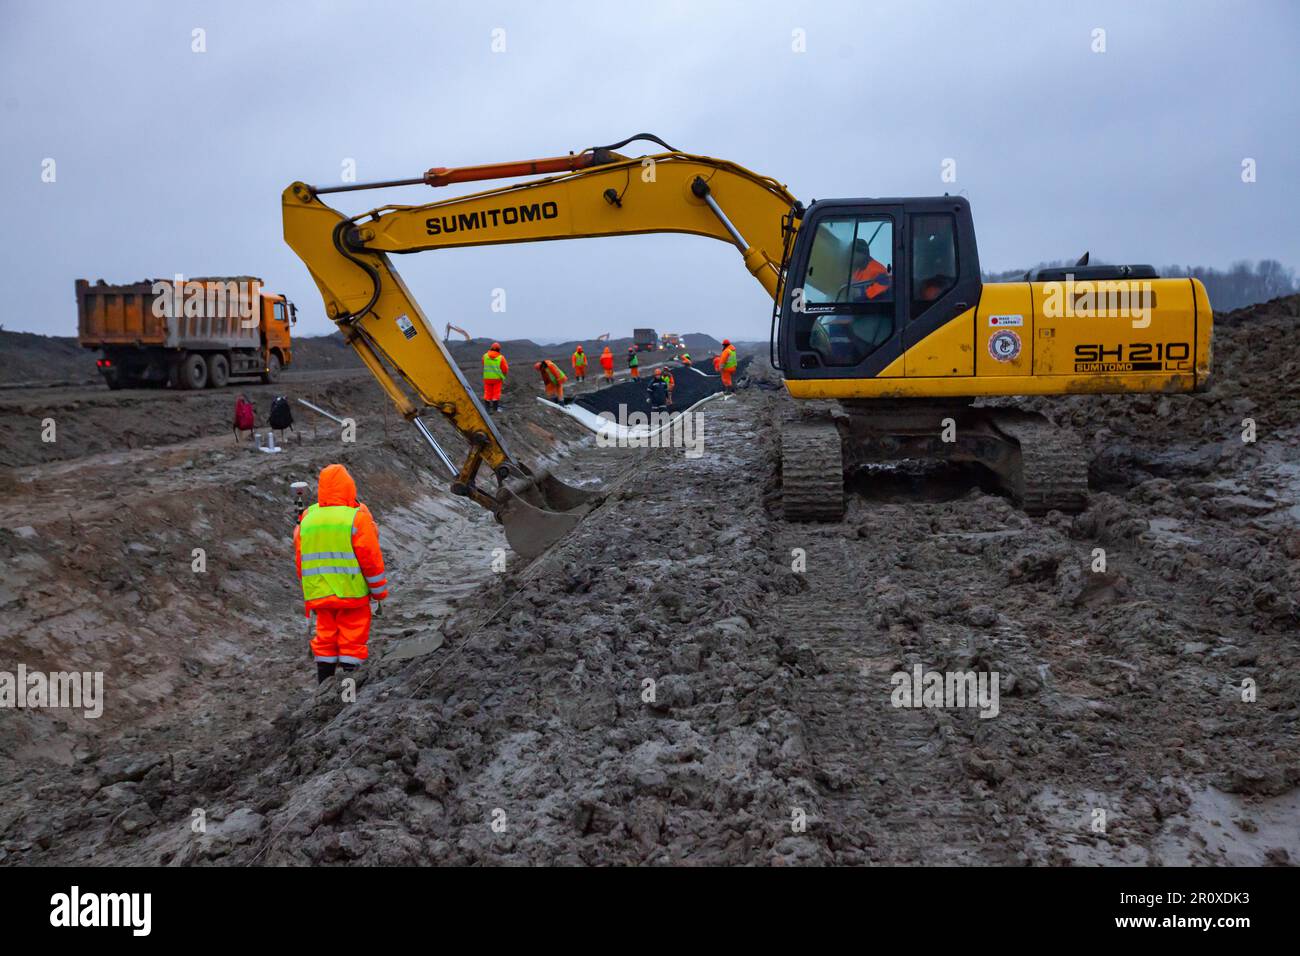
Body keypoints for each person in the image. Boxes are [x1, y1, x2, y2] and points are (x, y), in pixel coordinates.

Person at [294, 464, 388, 683]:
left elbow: (300, 556)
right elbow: (370, 560)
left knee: (325, 638)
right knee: (352, 640)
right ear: (349, 488)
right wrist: (379, 593)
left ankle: (324, 687)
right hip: (352, 594)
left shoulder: (308, 517)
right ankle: (350, 688)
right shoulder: (356, 517)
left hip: (319, 593)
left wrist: (309, 586)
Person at [482, 342, 508, 412]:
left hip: (487, 378)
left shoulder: (485, 356)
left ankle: (487, 410)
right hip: (497, 379)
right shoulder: (501, 358)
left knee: (487, 393)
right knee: (496, 393)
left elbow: (483, 363)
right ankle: (494, 409)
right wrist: (504, 375)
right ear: (499, 349)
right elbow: (505, 369)